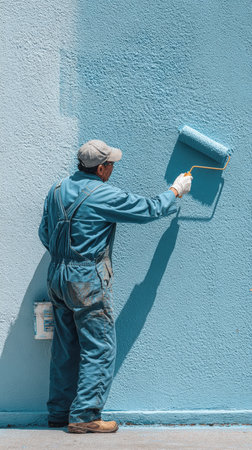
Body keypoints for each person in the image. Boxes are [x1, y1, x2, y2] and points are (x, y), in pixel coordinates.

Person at [38, 139, 192, 434]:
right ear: (101, 168)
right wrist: (176, 190)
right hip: (86, 281)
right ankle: (84, 415)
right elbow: (148, 210)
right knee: (98, 347)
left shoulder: (57, 190)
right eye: (111, 165)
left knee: (65, 347)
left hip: (57, 276)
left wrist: (64, 259)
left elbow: (44, 232)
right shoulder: (103, 194)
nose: (112, 170)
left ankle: (59, 412)